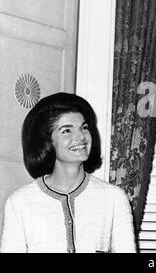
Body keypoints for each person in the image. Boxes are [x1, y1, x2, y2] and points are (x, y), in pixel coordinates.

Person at [0, 92, 136, 253]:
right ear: (47, 141)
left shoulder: (114, 198)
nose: (81, 136)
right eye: (66, 131)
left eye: (84, 128)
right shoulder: (20, 202)